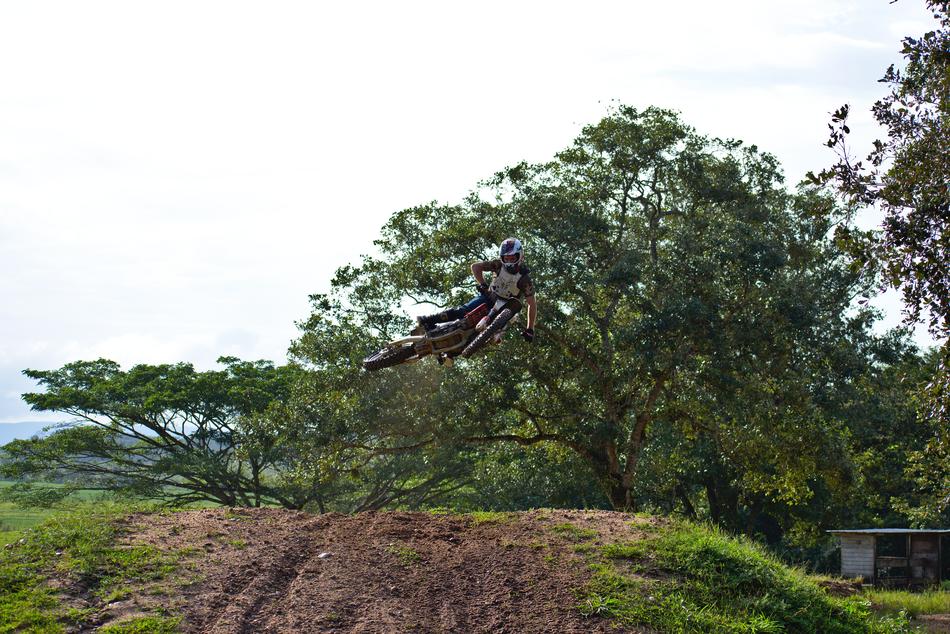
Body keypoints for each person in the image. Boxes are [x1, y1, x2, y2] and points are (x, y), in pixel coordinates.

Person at [416, 237, 537, 343]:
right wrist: (483, 284)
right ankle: (427, 320)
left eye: (512, 258)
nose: (509, 261)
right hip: (489, 297)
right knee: (463, 311)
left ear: (519, 255)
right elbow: (475, 267)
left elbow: (532, 304)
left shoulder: (525, 279)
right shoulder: (498, 265)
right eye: (506, 258)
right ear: (502, 258)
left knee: (499, 332)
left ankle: (486, 338)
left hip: (506, 309)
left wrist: (530, 328)